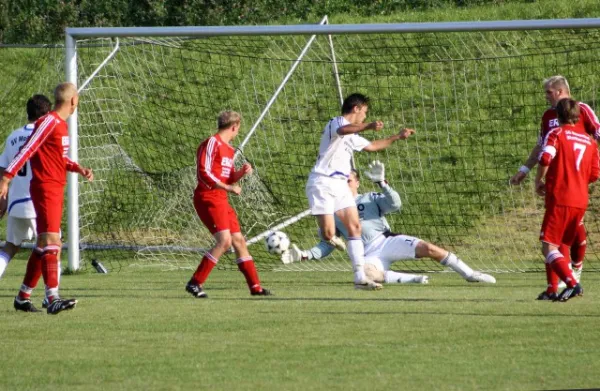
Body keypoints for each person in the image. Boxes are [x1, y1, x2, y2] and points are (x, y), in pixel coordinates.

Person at [286, 162, 497, 285]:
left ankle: (470, 274)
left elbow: (395, 204)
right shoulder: (333, 210)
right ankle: (412, 279)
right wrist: (305, 254)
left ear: (357, 183)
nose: (344, 185)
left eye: (348, 180)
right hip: (366, 254)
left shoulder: (370, 198)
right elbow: (327, 243)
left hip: (386, 241)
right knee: (368, 275)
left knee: (430, 249)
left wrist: (382, 183)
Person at [0, 82, 94, 314]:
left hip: (53, 188)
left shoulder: (59, 125)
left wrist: (78, 168)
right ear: (74, 101)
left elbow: (58, 158)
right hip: (44, 188)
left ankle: (23, 296)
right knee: (53, 241)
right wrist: (6, 177)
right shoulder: (49, 121)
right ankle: (52, 297)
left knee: (44, 243)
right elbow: (28, 148)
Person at [306, 93, 415, 290]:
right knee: (329, 234)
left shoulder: (353, 136)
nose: (365, 116)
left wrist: (397, 137)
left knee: (354, 227)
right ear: (356, 108)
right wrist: (369, 126)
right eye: (364, 112)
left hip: (340, 184)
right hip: (323, 181)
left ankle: (360, 277)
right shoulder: (336, 123)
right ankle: (325, 241)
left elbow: (372, 146)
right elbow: (344, 129)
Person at [510, 76, 600, 286]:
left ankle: (574, 270)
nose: (545, 96)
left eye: (548, 92)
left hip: (575, 177)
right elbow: (541, 147)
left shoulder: (582, 109)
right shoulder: (548, 116)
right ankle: (559, 281)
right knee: (561, 231)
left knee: (569, 227)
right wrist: (524, 170)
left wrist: (591, 160)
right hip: (555, 179)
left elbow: (597, 133)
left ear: (560, 92)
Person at [185, 110, 270, 298]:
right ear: (235, 126)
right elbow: (203, 172)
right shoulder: (211, 143)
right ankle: (195, 283)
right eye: (238, 128)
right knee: (224, 241)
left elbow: (229, 176)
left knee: (239, 241)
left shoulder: (230, 149)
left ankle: (255, 287)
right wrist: (228, 187)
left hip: (221, 198)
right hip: (208, 197)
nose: (238, 131)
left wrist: (241, 173)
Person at [535, 98, 599, 301]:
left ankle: (572, 284)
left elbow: (546, 157)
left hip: (561, 197)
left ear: (558, 116)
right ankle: (552, 289)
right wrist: (577, 179)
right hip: (580, 199)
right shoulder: (590, 142)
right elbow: (595, 173)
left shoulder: (557, 133)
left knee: (548, 245)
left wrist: (539, 180)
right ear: (578, 116)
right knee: (561, 243)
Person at [0, 95, 51, 279]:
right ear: (46, 115)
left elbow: (3, 169)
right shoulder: (46, 135)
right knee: (52, 245)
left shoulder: (13, 136)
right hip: (39, 202)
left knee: (10, 247)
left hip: (16, 202)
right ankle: (52, 294)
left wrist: (2, 198)